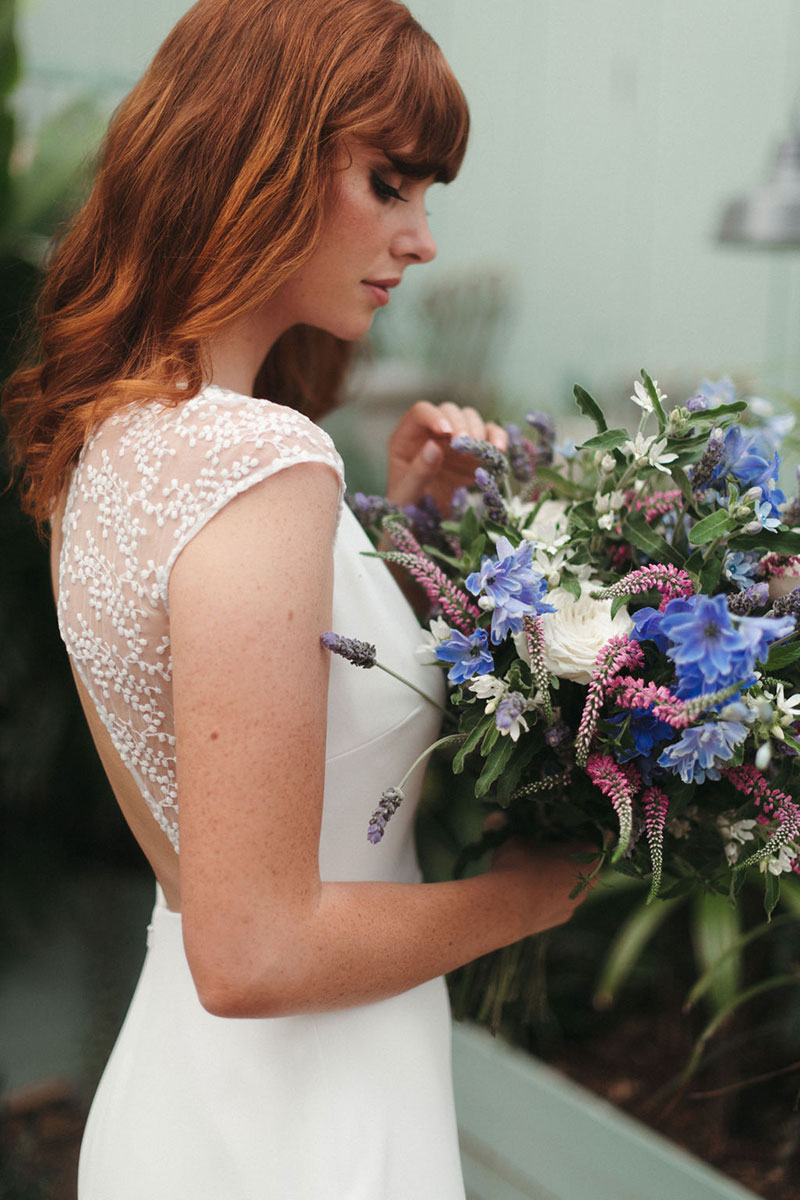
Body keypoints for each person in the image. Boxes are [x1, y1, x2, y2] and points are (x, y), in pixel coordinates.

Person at [3, 1, 590, 1196]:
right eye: (389, 182)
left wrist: (398, 539)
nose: (420, 239)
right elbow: (258, 949)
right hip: (302, 1120)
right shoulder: (264, 465)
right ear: (250, 158)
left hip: (196, 1090)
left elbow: (233, 748)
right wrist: (531, 895)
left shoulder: (113, 432)